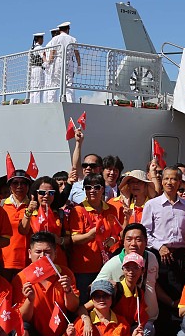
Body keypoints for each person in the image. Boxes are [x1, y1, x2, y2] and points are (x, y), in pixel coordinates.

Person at [12, 232, 79, 336]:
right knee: (20, 331)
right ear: (30, 253)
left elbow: (74, 307)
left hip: (59, 333)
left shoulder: (65, 274)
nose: (43, 256)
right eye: (38, 251)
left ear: (55, 254)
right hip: (35, 334)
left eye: (48, 252)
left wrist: (68, 290)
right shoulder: (21, 278)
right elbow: (23, 318)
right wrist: (29, 300)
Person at [141, 167, 185, 328]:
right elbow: (145, 232)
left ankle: (179, 334)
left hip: (181, 256)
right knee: (159, 294)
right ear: (161, 182)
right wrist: (160, 246)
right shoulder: (152, 205)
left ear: (180, 182)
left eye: (174, 179)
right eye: (166, 179)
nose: (170, 182)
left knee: (180, 293)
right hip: (159, 255)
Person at [68, 173, 123, 304]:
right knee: (84, 303)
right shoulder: (78, 210)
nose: (92, 190)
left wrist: (114, 239)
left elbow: (117, 233)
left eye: (96, 187)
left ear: (103, 189)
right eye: (88, 187)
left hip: (106, 266)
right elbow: (73, 239)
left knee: (104, 302)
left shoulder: (111, 209)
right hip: (84, 268)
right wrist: (91, 234)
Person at [21, 175, 69, 271]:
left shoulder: (59, 214)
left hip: (58, 261)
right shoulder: (29, 212)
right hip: (36, 261)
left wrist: (59, 240)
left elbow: (69, 238)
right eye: (42, 193)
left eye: (50, 193)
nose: (46, 196)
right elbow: (23, 231)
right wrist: (29, 212)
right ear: (35, 194)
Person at [0, 169, 33, 280]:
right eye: (15, 183)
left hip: (27, 261)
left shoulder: (34, 206)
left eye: (23, 183)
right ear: (10, 186)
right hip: (3, 261)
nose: (19, 186)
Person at [44, 21, 80, 103]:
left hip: (58, 61)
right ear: (67, 29)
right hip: (69, 62)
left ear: (59, 30)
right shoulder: (73, 39)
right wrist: (79, 66)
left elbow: (52, 53)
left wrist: (48, 63)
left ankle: (51, 103)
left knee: (54, 83)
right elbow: (77, 54)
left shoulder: (55, 39)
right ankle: (71, 103)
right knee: (69, 84)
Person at [68, 130, 104, 204]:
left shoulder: (108, 188)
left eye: (92, 166)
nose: (88, 168)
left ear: (100, 168)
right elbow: (75, 166)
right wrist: (78, 143)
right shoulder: (75, 186)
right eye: (85, 165)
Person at [28, 32, 46, 104]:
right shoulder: (40, 48)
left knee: (33, 87)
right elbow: (43, 57)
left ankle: (32, 102)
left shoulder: (31, 49)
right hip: (39, 69)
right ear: (39, 39)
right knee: (39, 87)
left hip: (32, 69)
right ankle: (37, 103)